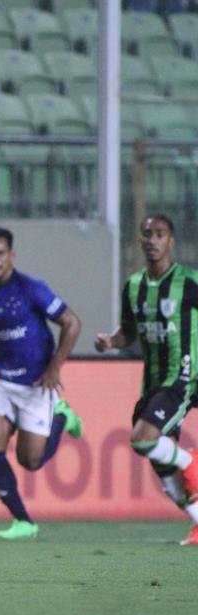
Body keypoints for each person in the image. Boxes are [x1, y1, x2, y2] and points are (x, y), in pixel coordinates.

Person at [0, 227, 83, 540]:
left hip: (38, 383)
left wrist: (55, 368)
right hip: (2, 383)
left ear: (12, 254)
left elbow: (72, 323)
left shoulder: (31, 288)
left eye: (0, 253)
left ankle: (62, 417)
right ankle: (24, 521)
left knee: (30, 461)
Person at [95, 214, 198, 546]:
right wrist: (112, 341)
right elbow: (129, 332)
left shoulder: (189, 282)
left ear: (172, 241)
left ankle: (191, 462)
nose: (152, 240)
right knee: (160, 467)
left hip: (181, 375)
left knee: (142, 440)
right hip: (152, 382)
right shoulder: (134, 286)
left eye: (159, 234)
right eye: (146, 234)